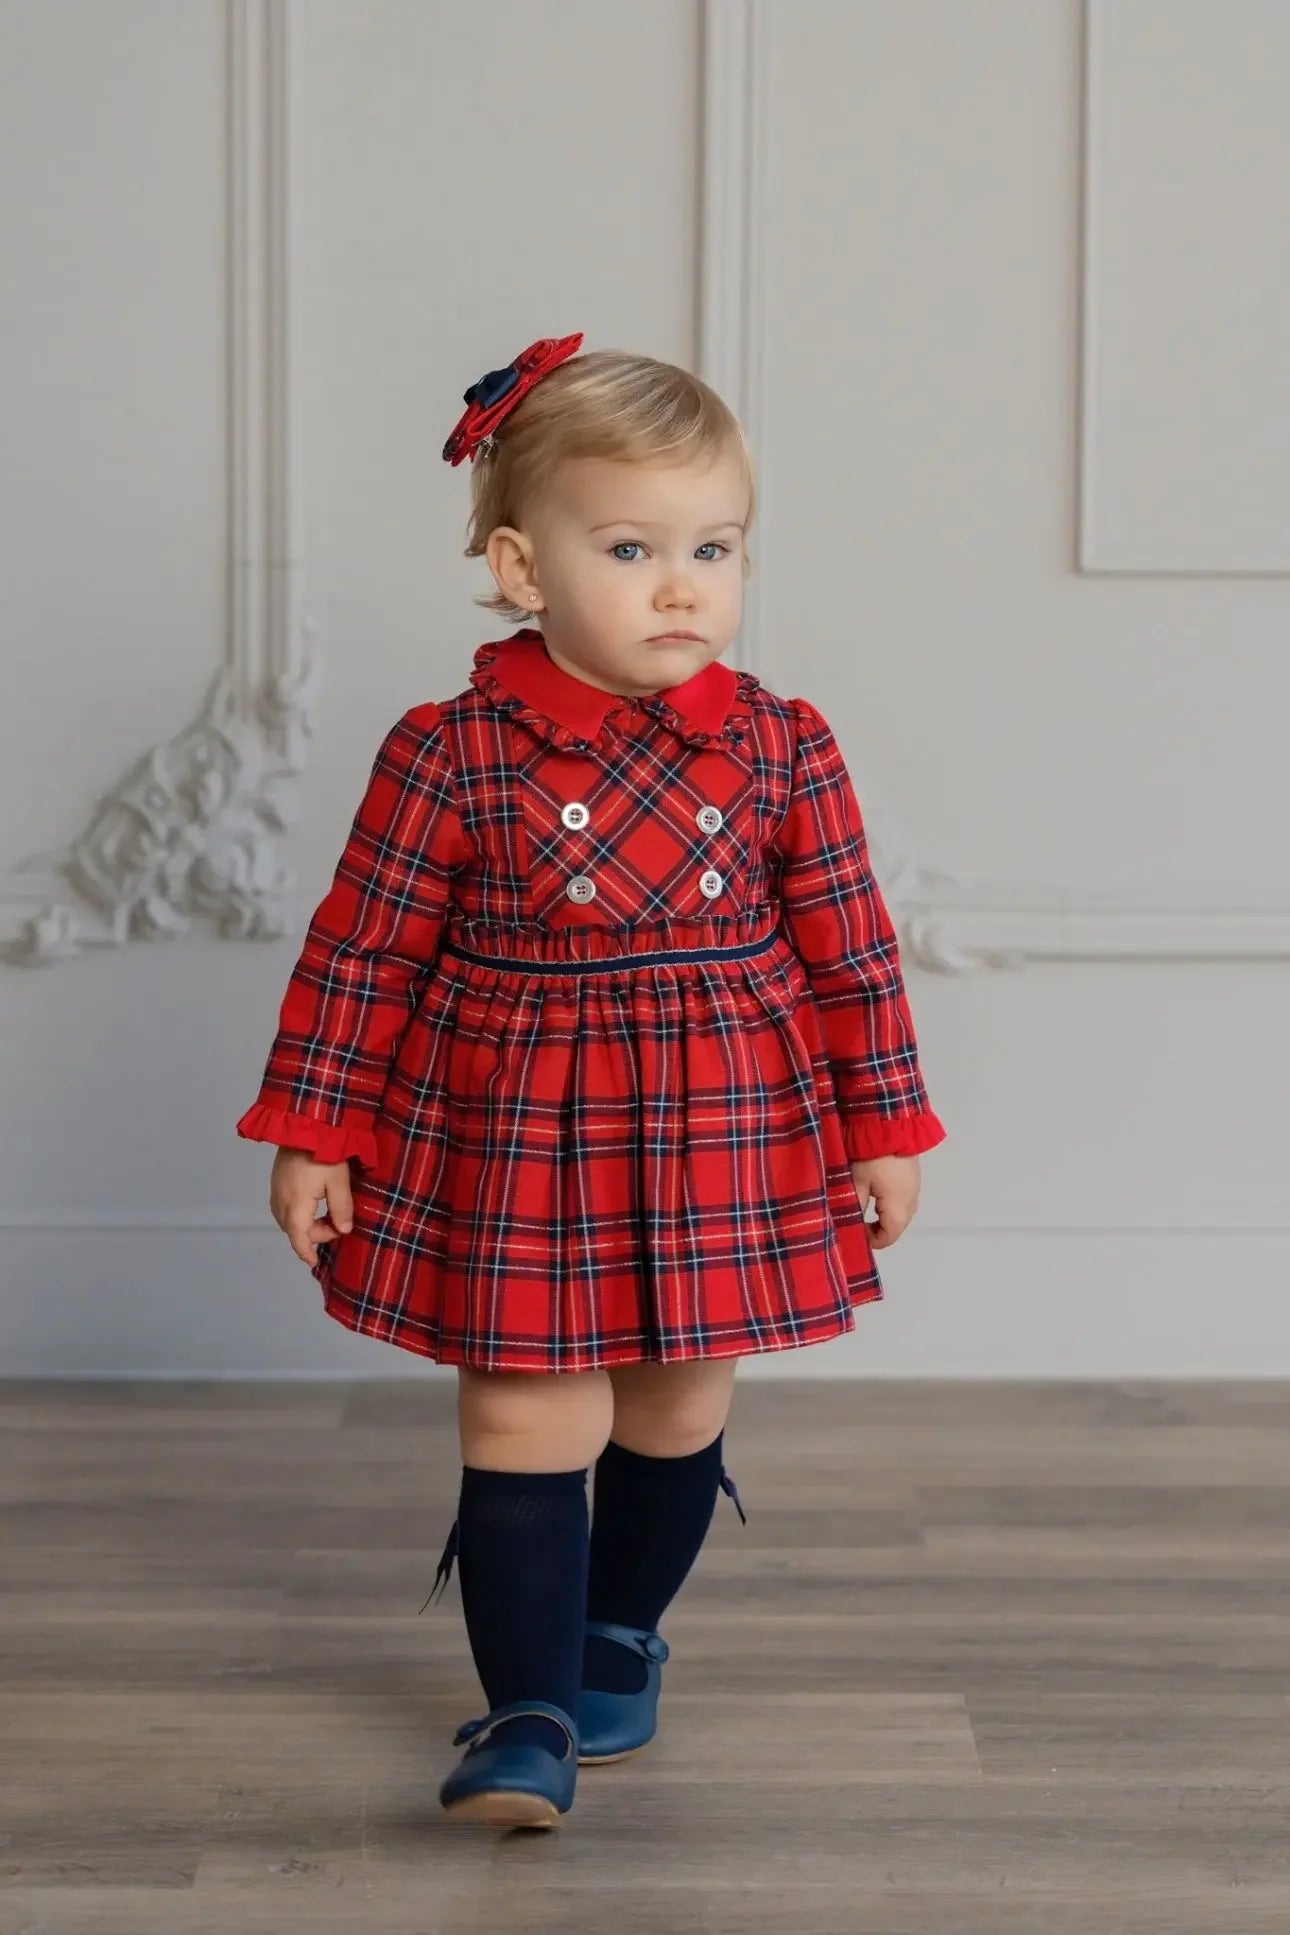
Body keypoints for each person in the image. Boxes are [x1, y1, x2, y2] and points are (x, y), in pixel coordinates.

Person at [236, 332, 947, 1831]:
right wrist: (314, 1128)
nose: (682, 583)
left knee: (675, 1409)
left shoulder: (780, 746)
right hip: (521, 1138)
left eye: (714, 546)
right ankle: (527, 1709)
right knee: (522, 1423)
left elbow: (851, 954)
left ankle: (618, 1634)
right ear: (519, 565)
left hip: (723, 1129)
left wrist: (883, 1124)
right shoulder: (450, 753)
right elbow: (361, 951)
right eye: (631, 547)